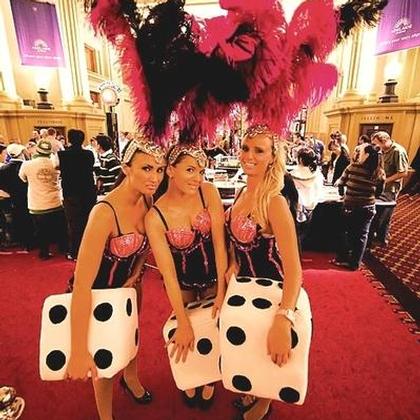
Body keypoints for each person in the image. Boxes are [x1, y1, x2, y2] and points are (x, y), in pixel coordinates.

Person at [66, 139, 166, 420]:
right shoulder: (103, 213)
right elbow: (82, 283)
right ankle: (105, 416)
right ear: (126, 168)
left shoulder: (147, 199)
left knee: (131, 336)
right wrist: (77, 350)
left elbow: (145, 245)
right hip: (97, 294)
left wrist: (136, 273)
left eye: (159, 169)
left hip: (130, 289)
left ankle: (131, 379)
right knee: (104, 358)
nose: (155, 177)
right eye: (146, 168)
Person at [225, 125, 302, 420]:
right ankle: (255, 389)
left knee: (268, 346)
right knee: (251, 346)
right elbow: (235, 241)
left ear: (272, 157)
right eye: (246, 148)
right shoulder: (243, 191)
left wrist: (284, 316)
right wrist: (233, 262)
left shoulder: (275, 201)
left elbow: (294, 269)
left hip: (273, 289)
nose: (249, 156)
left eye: (259, 150)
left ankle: (264, 402)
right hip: (244, 286)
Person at [145, 144, 227, 409]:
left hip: (214, 278)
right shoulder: (155, 216)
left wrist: (222, 290)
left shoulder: (208, 192)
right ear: (170, 170)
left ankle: (210, 378)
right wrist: (181, 321)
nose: (197, 178)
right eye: (190, 170)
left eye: (201, 171)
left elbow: (219, 244)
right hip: (181, 283)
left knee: (213, 330)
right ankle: (191, 374)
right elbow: (167, 273)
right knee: (188, 330)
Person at [332, 144, 385, 270]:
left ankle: (342, 258)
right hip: (368, 207)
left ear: (366, 155)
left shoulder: (354, 167)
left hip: (350, 206)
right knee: (361, 236)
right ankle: (355, 263)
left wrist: (343, 194)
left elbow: (341, 182)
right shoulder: (379, 172)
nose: (359, 155)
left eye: (361, 153)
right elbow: (379, 193)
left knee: (345, 233)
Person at [18, 140, 68, 260]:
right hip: (55, 201)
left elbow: (22, 178)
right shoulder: (55, 164)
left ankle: (44, 252)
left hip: (37, 203)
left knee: (41, 231)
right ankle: (63, 248)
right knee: (60, 228)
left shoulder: (27, 165)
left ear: (37, 150)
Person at [57, 129, 97, 260]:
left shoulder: (62, 155)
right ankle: (92, 249)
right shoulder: (89, 154)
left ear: (69, 139)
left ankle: (75, 252)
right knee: (89, 221)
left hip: (71, 192)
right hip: (88, 191)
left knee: (74, 223)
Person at [370, 131, 409, 245]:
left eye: (376, 144)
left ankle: (382, 239)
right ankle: (378, 236)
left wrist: (385, 180)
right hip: (380, 188)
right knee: (377, 214)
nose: (375, 146)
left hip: (390, 189)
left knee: (384, 216)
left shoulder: (398, 151)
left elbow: (403, 172)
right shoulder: (381, 151)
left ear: (384, 141)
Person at [0, 144, 34, 251]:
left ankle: (24, 241)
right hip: (28, 197)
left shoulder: (3, 169)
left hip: (13, 199)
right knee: (29, 219)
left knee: (18, 219)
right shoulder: (26, 166)